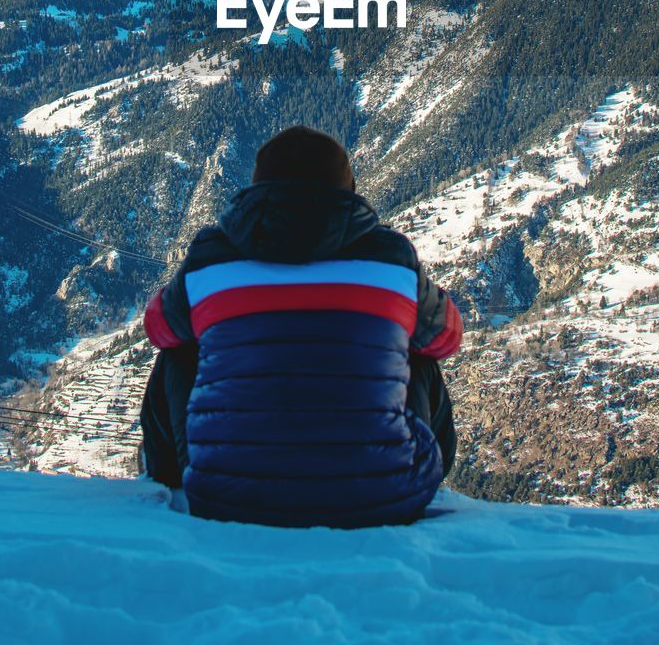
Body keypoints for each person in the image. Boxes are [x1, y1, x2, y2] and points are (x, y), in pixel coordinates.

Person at [139, 125, 462, 527]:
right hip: (385, 498)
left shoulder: (211, 257)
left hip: (224, 496)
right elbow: (448, 337)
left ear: (257, 188)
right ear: (349, 190)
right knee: (418, 351)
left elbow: (159, 329)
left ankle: (169, 479)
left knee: (177, 351)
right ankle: (403, 464)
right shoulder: (391, 259)